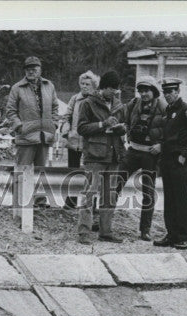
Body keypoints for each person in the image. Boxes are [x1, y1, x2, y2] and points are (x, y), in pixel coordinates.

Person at [76, 69, 126, 243]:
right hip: (94, 156)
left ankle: (106, 232)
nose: (114, 92)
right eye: (111, 88)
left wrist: (122, 129)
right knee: (89, 195)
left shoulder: (119, 104)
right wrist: (102, 124)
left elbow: (125, 126)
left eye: (116, 89)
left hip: (113, 156)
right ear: (103, 87)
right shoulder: (88, 103)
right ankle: (84, 233)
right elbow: (81, 128)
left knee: (109, 196)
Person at [154, 78, 187, 250]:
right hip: (167, 161)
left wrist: (184, 154)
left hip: (180, 161)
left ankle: (186, 237)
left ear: (177, 92)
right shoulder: (168, 111)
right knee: (170, 200)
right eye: (165, 92)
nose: (167, 95)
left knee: (180, 200)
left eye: (170, 92)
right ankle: (172, 234)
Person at [117, 75, 167, 242]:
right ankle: (103, 221)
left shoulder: (163, 106)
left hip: (150, 154)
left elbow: (171, 129)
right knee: (115, 182)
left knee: (148, 191)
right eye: (141, 91)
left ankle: (145, 229)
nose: (144, 94)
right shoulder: (133, 104)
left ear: (153, 91)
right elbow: (121, 117)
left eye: (147, 90)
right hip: (133, 150)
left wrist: (161, 144)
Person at [5, 55, 59, 168]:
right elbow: (10, 111)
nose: (31, 71)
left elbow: (55, 107)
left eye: (34, 69)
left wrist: (54, 124)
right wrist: (20, 127)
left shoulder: (49, 86)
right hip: (25, 138)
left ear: (40, 69)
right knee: (21, 173)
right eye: (28, 69)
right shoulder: (17, 88)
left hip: (45, 137)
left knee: (40, 174)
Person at [61, 70, 99, 210]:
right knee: (72, 170)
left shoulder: (96, 100)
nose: (84, 86)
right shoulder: (74, 99)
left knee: (90, 173)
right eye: (82, 84)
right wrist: (66, 128)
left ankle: (90, 203)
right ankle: (71, 201)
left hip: (89, 142)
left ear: (94, 86)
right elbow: (67, 115)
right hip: (73, 140)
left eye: (87, 84)